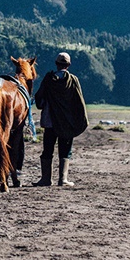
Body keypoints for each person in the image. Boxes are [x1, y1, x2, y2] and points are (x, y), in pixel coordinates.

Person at [33, 52, 88, 187]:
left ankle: (46, 179)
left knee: (47, 149)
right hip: (66, 122)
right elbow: (79, 101)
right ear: (68, 65)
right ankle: (63, 179)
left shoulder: (49, 79)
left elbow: (39, 98)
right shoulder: (73, 80)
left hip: (49, 121)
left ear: (56, 64)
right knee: (65, 150)